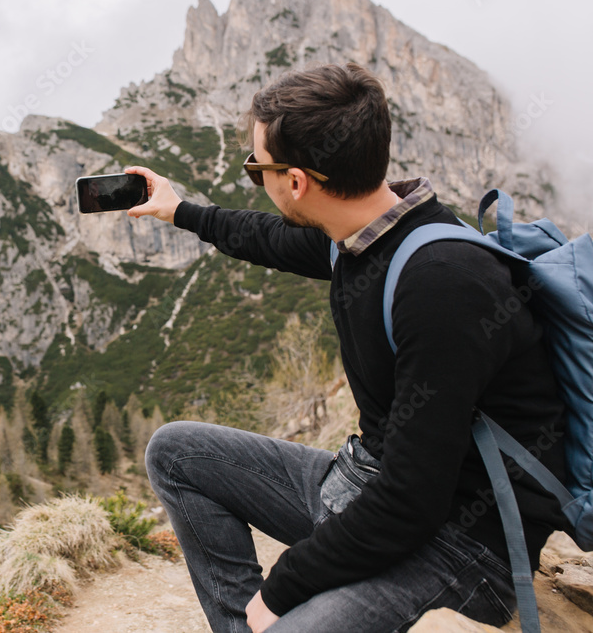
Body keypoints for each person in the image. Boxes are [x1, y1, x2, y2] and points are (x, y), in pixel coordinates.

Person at [125, 62, 569, 632]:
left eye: (256, 167)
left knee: (281, 620)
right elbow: (273, 237)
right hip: (363, 486)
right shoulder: (366, 232)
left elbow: (413, 501)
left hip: (463, 546)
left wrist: (280, 590)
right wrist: (181, 210)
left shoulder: (444, 284)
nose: (255, 178)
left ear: (296, 182)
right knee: (176, 452)